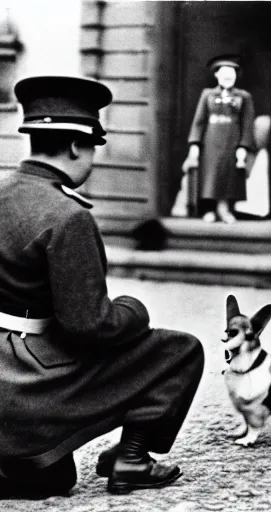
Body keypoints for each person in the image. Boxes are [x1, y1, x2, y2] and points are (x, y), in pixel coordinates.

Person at [0, 76, 204, 498]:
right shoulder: (67, 215)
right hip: (28, 381)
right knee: (180, 350)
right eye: (93, 148)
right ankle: (133, 458)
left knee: (51, 479)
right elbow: (89, 326)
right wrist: (133, 308)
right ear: (77, 146)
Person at [183, 54, 255, 223]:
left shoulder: (243, 97)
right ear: (216, 75)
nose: (228, 77)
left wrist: (243, 146)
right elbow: (199, 121)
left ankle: (224, 209)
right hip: (211, 141)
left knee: (228, 176)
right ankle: (208, 210)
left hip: (232, 140)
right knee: (210, 175)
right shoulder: (207, 95)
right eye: (224, 73)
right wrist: (195, 144)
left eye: (231, 73)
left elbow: (247, 124)